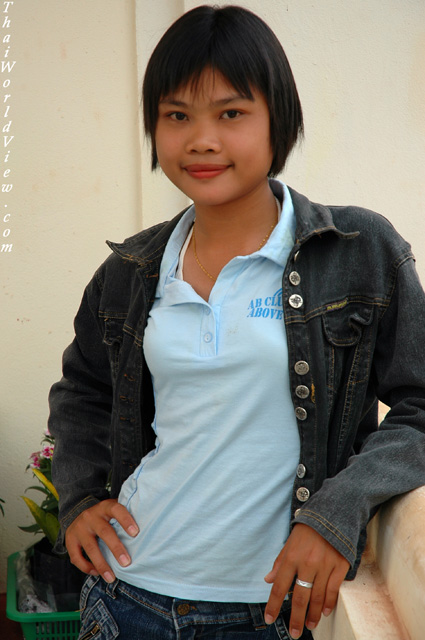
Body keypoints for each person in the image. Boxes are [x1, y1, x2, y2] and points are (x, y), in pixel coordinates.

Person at [48, 5, 425, 640]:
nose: (201, 140)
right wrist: (81, 499)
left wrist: (334, 514)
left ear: (280, 119)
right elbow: (81, 390)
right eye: (176, 116)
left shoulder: (360, 251)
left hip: (276, 611)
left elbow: (420, 405)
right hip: (128, 598)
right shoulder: (130, 272)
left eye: (230, 113)